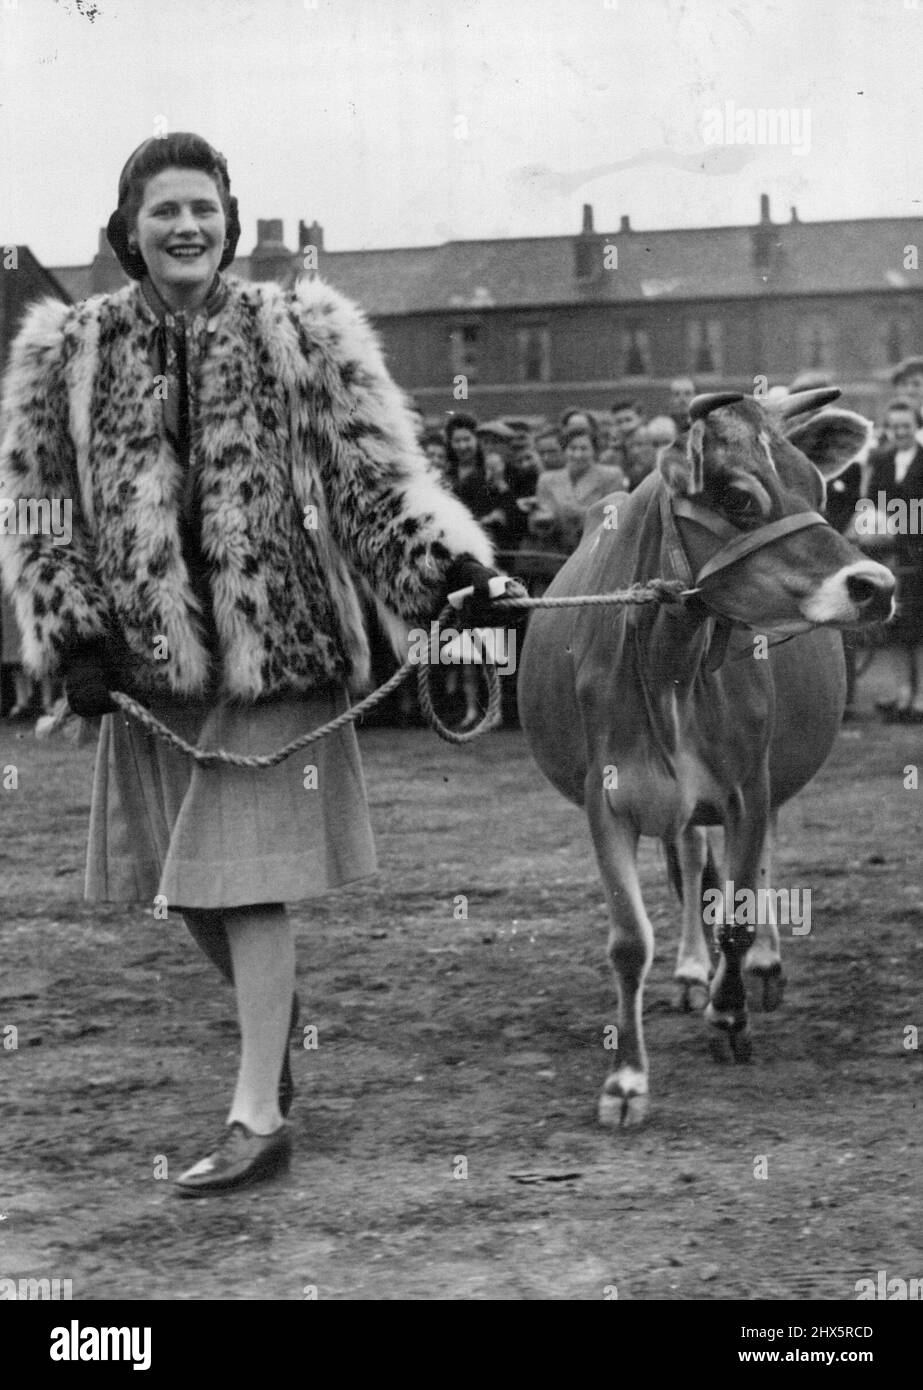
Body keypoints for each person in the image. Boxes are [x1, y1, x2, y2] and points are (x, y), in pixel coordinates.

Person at [0, 133, 523, 1196]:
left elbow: (376, 477)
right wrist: (71, 632)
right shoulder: (68, 348)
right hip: (148, 664)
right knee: (181, 885)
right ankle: (268, 1029)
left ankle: (255, 1112)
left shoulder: (300, 330)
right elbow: (39, 505)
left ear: (230, 221)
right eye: (162, 211)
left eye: (203, 207)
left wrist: (457, 570)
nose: (185, 226)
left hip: (277, 653)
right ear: (127, 228)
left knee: (240, 885)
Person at [862, 398, 923, 719]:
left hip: (919, 557)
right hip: (890, 557)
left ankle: (920, 697)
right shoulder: (883, 461)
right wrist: (874, 528)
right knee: (897, 626)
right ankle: (902, 693)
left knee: (920, 628)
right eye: (895, 426)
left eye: (907, 426)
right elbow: (871, 502)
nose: (901, 432)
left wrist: (901, 529)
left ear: (917, 427)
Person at [527, 422, 625, 554]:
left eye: (584, 449)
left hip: (596, 550)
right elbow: (540, 522)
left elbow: (614, 520)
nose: (577, 455)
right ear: (564, 450)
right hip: (556, 551)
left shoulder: (611, 476)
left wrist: (581, 514)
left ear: (594, 451)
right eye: (572, 448)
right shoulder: (547, 479)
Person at [622, 424, 658, 492]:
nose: (635, 451)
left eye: (640, 444)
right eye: (631, 446)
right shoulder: (626, 474)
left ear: (654, 446)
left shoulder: (664, 474)